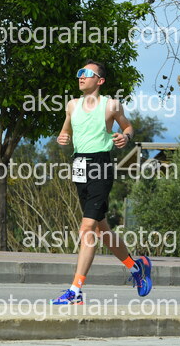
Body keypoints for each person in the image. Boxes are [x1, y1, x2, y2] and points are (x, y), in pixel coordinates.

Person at [52, 60, 152, 305]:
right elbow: (65, 131)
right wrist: (63, 137)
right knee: (101, 230)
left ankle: (75, 291)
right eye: (79, 72)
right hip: (79, 165)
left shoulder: (111, 105)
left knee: (86, 229)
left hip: (100, 166)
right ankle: (136, 267)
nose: (81, 76)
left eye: (87, 73)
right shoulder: (72, 105)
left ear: (100, 80)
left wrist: (125, 137)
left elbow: (128, 127)